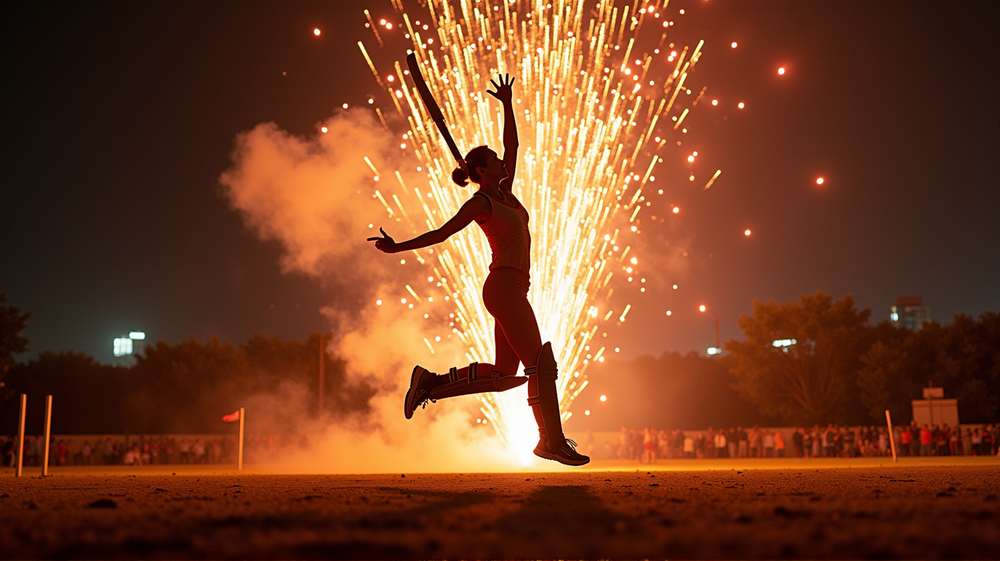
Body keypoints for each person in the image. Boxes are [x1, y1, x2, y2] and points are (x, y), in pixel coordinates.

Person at [369, 73, 588, 467]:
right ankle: (550, 441)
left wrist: (507, 103)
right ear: (483, 172)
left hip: (513, 289)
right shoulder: (481, 203)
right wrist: (398, 246)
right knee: (540, 363)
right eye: (496, 162)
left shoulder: (507, 193)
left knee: (506, 375)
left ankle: (430, 384)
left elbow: (513, 144)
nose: (504, 162)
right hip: (503, 287)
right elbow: (441, 232)